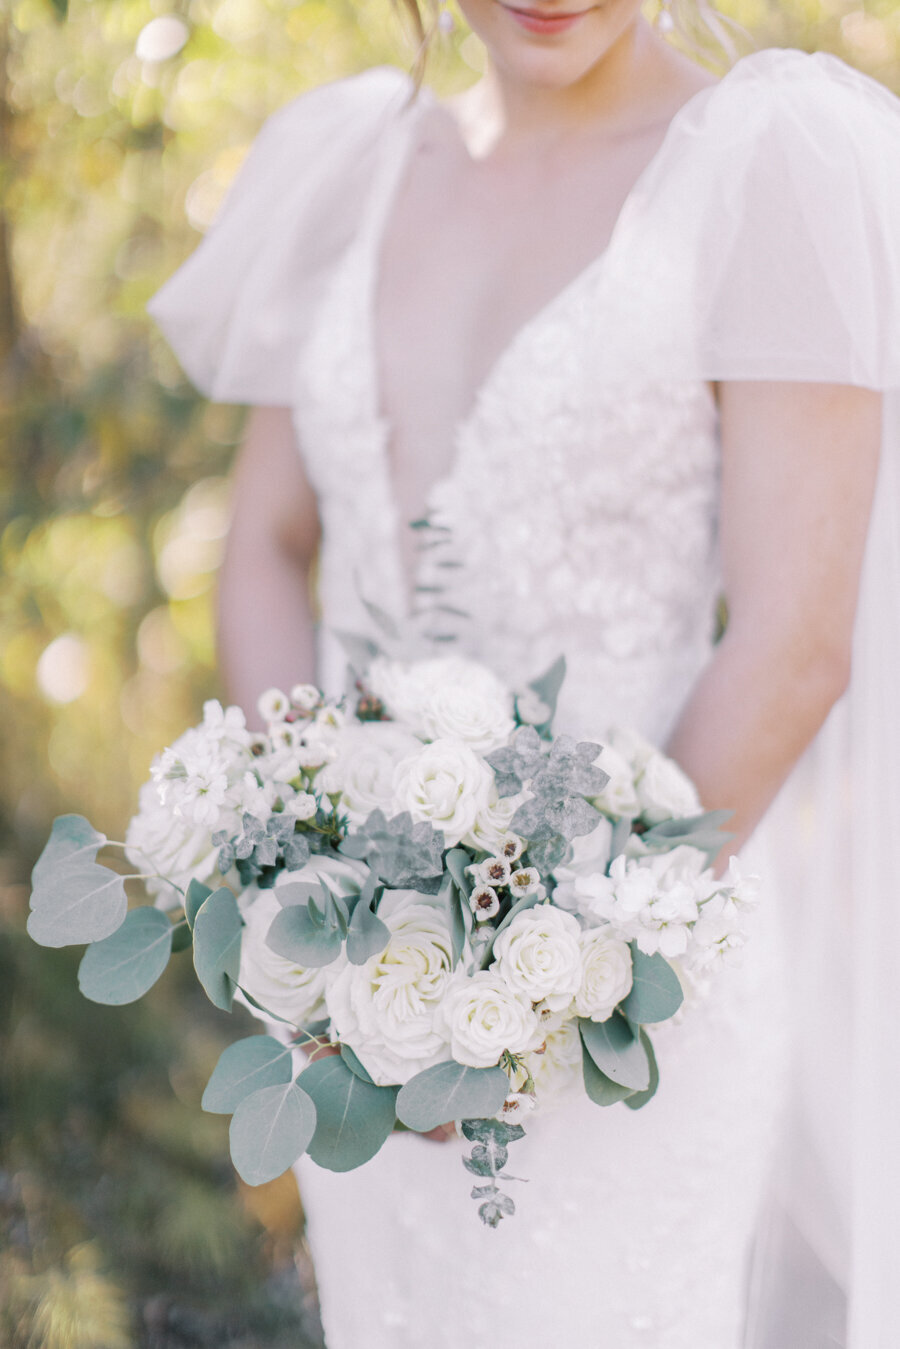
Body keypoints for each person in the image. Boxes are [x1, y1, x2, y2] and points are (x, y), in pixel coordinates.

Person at [147, 2, 900, 1345]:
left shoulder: (768, 163)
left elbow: (794, 644)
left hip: (635, 991)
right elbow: (267, 541)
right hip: (358, 1006)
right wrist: (298, 885)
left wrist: (529, 995)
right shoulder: (345, 160)